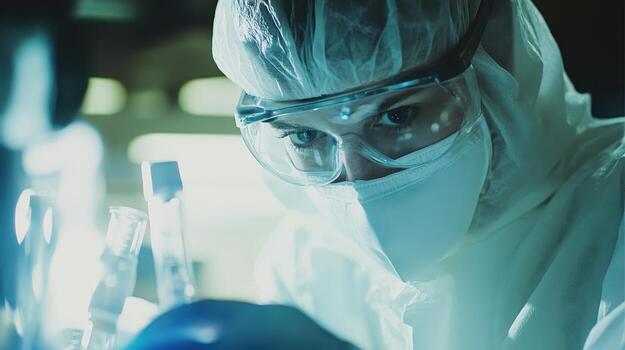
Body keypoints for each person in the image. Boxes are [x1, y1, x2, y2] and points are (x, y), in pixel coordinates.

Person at [131, 0, 624, 349]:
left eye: (398, 117)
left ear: (498, 68)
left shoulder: (612, 218)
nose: (357, 180)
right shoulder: (308, 265)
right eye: (305, 137)